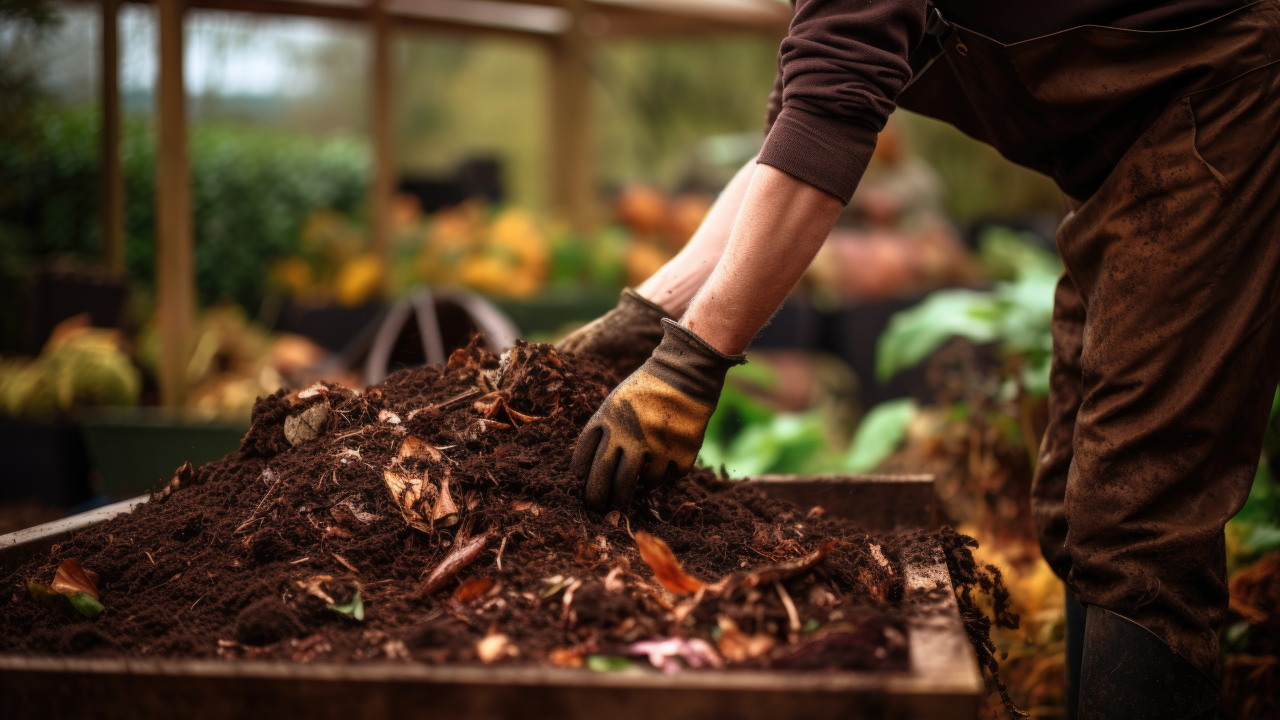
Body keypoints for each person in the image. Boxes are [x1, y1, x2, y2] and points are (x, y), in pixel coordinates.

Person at [561, 1, 1280, 717]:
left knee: (1136, 514)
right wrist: (647, 316)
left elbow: (823, 134)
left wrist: (690, 365)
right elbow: (792, 139)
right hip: (1121, 165)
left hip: (1222, 104)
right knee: (1078, 503)